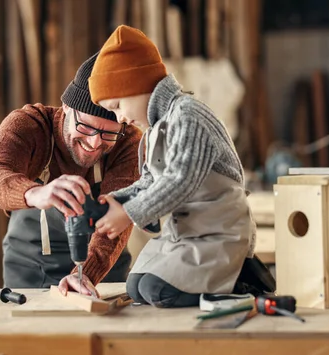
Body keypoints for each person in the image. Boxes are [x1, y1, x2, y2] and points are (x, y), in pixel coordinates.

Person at [88, 25, 275, 308]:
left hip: (217, 232)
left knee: (158, 291)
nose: (120, 118)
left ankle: (242, 280)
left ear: (138, 85)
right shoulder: (155, 130)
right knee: (137, 287)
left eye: (117, 106)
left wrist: (129, 213)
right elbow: (151, 181)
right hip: (186, 234)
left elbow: (180, 180)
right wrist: (117, 199)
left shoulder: (188, 115)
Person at [0, 51, 143, 296]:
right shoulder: (29, 126)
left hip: (103, 272)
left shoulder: (128, 142)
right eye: (86, 126)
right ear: (66, 106)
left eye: (109, 133)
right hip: (29, 266)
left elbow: (121, 209)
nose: (94, 143)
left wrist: (87, 274)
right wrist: (35, 193)